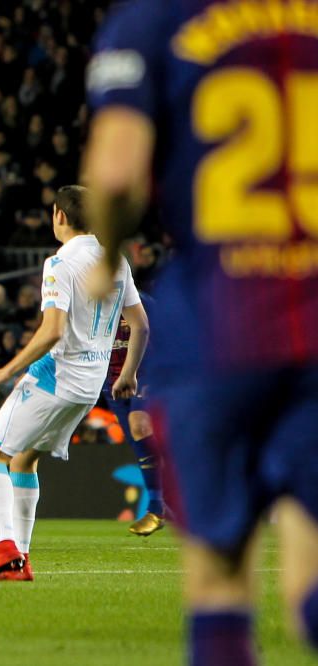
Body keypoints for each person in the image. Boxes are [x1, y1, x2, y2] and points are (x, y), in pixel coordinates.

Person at [84, 3, 318, 663]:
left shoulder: (154, 18)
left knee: (219, 574)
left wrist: (104, 260)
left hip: (222, 327)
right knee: (309, 579)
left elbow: (116, 173)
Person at [0, 186, 148, 583]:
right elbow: (141, 324)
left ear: (58, 216)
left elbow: (52, 332)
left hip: (57, 375)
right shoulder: (116, 261)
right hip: (91, 383)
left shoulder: (59, 263)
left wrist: (5, 370)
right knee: (25, 460)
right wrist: (127, 374)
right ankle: (22, 561)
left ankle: (4, 549)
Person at [102, 309, 165, 536]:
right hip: (111, 380)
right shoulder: (89, 306)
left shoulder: (140, 302)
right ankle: (159, 508)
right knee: (140, 446)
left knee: (139, 425)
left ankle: (158, 506)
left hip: (147, 374)